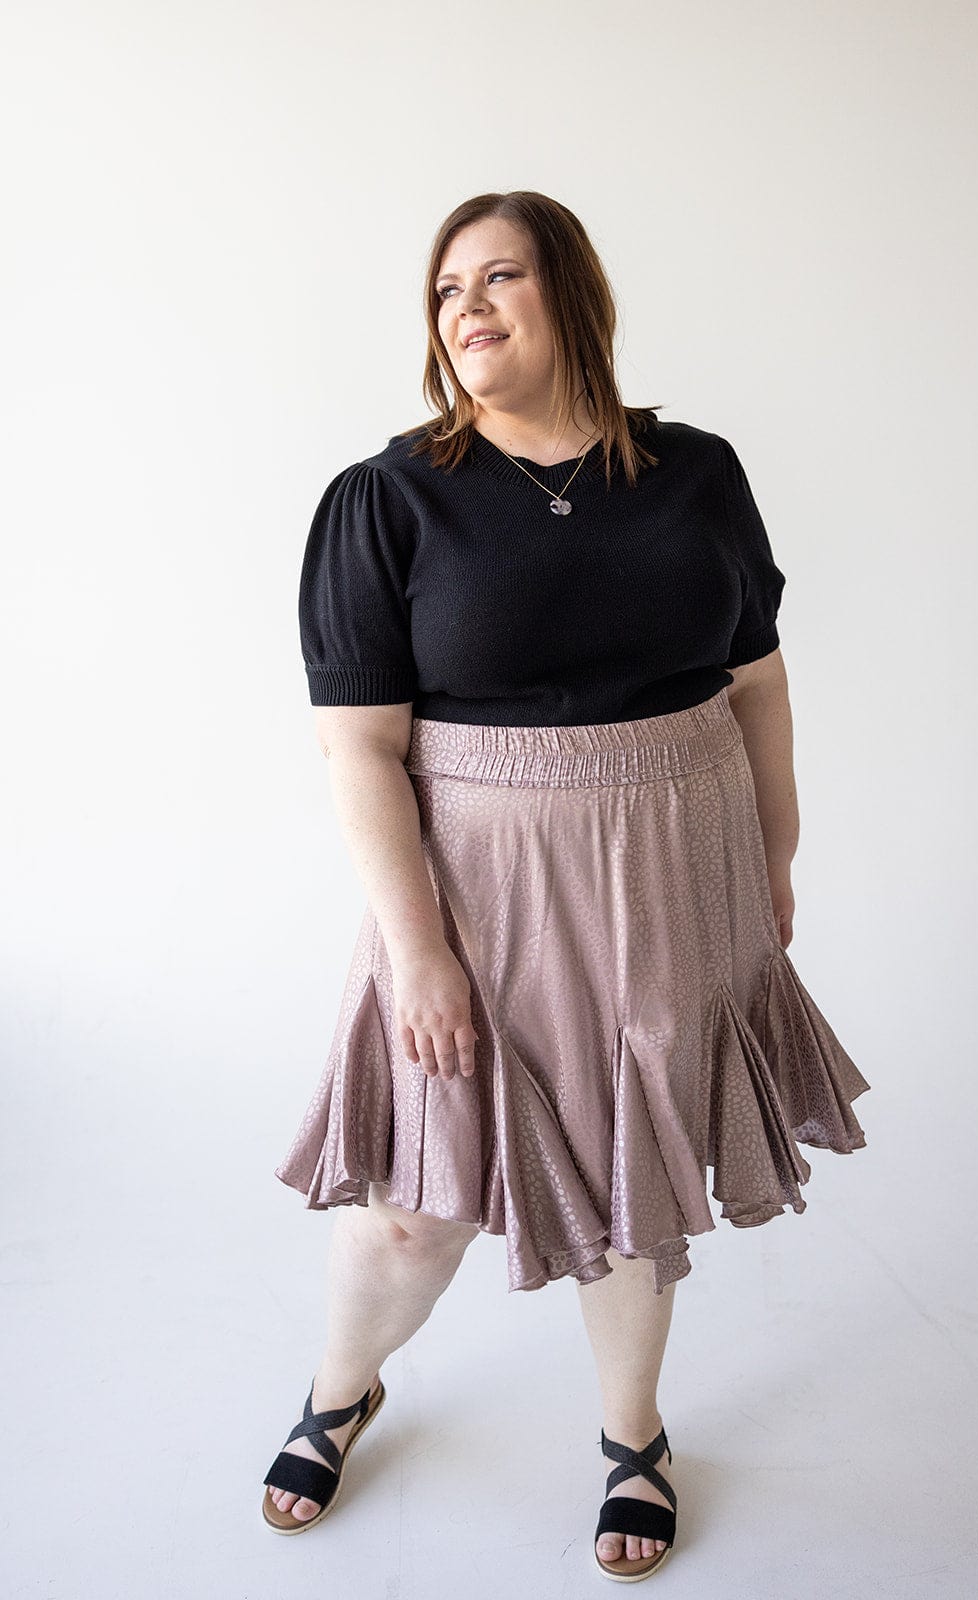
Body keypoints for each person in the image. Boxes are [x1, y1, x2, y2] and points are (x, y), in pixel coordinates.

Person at [261, 190, 871, 1581]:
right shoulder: (389, 496)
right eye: (444, 291)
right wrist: (418, 956)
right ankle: (343, 1384)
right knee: (417, 1203)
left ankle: (633, 1438)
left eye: (499, 277)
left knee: (635, 1183)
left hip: (680, 867)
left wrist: (775, 849)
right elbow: (359, 748)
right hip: (484, 889)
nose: (464, 307)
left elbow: (758, 681)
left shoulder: (696, 472)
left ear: (573, 293)